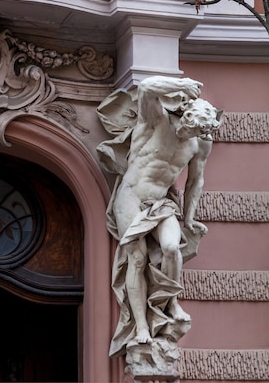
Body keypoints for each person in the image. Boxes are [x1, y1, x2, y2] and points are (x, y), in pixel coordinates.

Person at [96, 75, 222, 357]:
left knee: (171, 249)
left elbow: (194, 182)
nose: (193, 132)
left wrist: (188, 219)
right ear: (187, 114)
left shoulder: (199, 144)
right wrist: (181, 86)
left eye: (201, 130)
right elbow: (146, 88)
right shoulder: (155, 121)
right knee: (137, 259)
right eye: (193, 126)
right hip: (131, 196)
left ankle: (169, 301)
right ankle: (141, 326)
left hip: (162, 202)